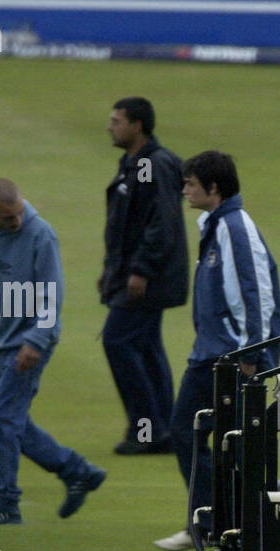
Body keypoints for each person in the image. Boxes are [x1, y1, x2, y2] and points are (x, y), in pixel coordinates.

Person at [0, 179, 106, 524]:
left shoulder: (41, 234)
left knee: (1, 422)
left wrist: (36, 341)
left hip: (32, 341)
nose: (17, 223)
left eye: (19, 214)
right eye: (8, 218)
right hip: (4, 338)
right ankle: (77, 471)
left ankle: (5, 502)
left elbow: (52, 295)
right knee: (11, 422)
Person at [155, 151, 280, 551]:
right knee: (219, 438)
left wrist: (250, 357)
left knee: (215, 437)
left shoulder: (233, 227)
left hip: (230, 358)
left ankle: (230, 522)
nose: (184, 190)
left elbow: (256, 295)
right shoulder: (218, 225)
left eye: (191, 183)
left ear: (213, 188)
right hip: (215, 354)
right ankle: (225, 521)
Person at [100, 97, 188, 455]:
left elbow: (161, 224)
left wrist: (140, 271)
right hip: (137, 274)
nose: (110, 126)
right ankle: (163, 429)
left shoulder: (153, 165)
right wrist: (113, 272)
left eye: (116, 120)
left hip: (149, 278)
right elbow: (128, 226)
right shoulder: (134, 163)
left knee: (117, 340)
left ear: (137, 125)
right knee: (146, 347)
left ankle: (148, 430)